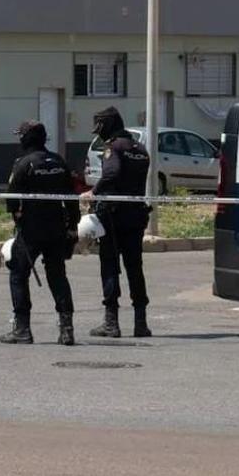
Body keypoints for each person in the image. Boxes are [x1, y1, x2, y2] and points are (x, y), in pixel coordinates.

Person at [0, 121, 79, 346]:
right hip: (56, 228)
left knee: (18, 273)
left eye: (20, 136)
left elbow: (12, 199)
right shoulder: (59, 162)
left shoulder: (23, 164)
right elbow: (71, 199)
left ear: (27, 139)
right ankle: (67, 330)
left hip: (32, 230)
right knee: (58, 276)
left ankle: (22, 328)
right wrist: (73, 225)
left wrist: (17, 217)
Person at [79, 106, 153, 339]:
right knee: (135, 267)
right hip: (136, 215)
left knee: (110, 266)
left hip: (114, 216)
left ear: (106, 126)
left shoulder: (114, 148)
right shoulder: (140, 149)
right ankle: (141, 323)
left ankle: (111, 323)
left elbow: (111, 174)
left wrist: (94, 192)